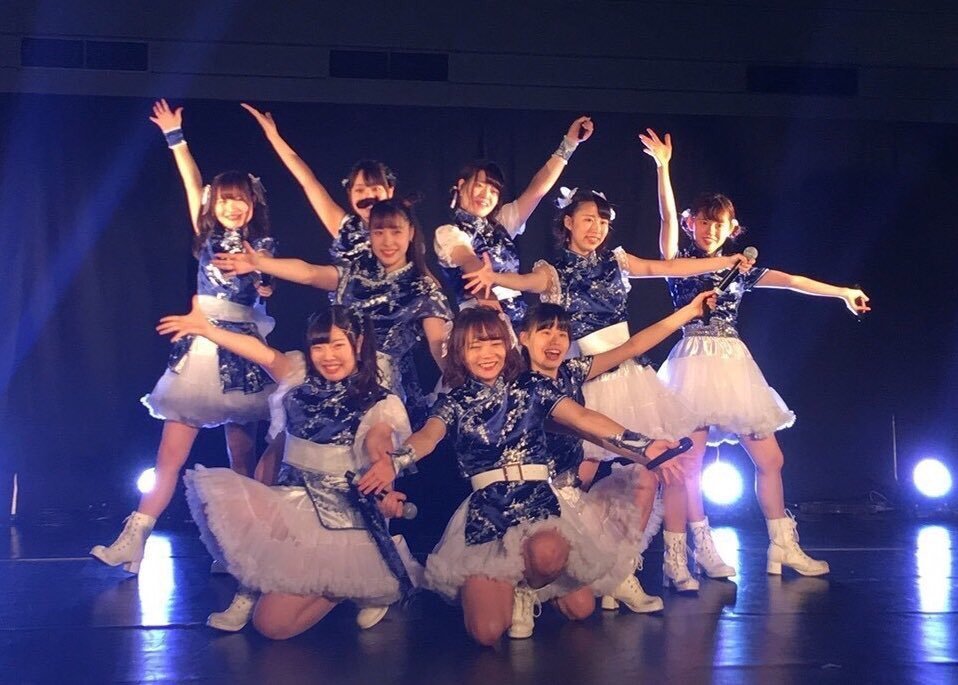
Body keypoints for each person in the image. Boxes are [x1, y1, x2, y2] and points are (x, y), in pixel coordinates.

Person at [463, 187, 751, 589]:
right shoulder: (554, 272)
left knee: (667, 460)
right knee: (580, 472)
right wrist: (493, 277)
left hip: (631, 373)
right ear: (568, 222)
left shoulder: (618, 262)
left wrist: (727, 260)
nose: (596, 228)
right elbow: (526, 281)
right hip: (588, 376)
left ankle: (659, 561)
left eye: (602, 221)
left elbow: (667, 268)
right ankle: (576, 561)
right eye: (587, 219)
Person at [356, 307, 685, 646]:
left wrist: (644, 445)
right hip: (487, 513)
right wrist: (395, 461)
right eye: (475, 346)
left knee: (579, 604)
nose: (487, 354)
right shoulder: (453, 402)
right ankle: (513, 588)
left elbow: (584, 418)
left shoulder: (531, 387)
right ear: (460, 352)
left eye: (494, 343)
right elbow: (428, 436)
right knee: (486, 632)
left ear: (507, 345)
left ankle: (528, 587)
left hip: (538, 503)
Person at [640, 127, 870, 577]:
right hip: (692, 362)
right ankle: (694, 550)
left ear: (732, 229)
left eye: (719, 224)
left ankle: (783, 546)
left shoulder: (740, 269)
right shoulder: (678, 263)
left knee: (771, 459)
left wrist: (843, 292)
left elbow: (793, 281)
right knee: (690, 465)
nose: (710, 230)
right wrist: (664, 168)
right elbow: (666, 219)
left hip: (733, 365)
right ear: (692, 224)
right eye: (704, 222)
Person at [90, 100, 276, 574]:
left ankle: (244, 551)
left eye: (241, 199)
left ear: (252, 205)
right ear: (215, 203)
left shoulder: (262, 246)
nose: (232, 206)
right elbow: (192, 182)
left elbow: (267, 283)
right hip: (200, 347)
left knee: (243, 459)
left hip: (242, 350)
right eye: (225, 199)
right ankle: (133, 541)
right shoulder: (206, 232)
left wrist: (262, 280)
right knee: (169, 457)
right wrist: (176, 138)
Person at [159, 305, 421, 637]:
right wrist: (209, 330)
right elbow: (260, 353)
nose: (328, 356)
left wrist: (385, 480)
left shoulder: (379, 402)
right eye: (319, 346)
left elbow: (379, 444)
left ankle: (354, 582)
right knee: (237, 501)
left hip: (339, 518)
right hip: (290, 500)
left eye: (338, 345)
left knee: (272, 626)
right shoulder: (298, 376)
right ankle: (250, 588)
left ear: (358, 344)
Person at [216, 198, 451, 428]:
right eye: (379, 232)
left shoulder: (423, 288)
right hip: (332, 374)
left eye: (396, 232)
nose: (387, 241)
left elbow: (438, 344)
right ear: (369, 235)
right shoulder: (355, 274)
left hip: (382, 388)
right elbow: (309, 273)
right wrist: (259, 263)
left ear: (411, 233)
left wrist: (459, 387)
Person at [434, 116, 594, 328]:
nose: (485, 195)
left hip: (519, 320)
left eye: (493, 191)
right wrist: (492, 304)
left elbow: (537, 190)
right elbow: (469, 261)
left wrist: (569, 144)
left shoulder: (501, 223)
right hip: (482, 324)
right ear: (461, 185)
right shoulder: (449, 233)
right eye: (479, 185)